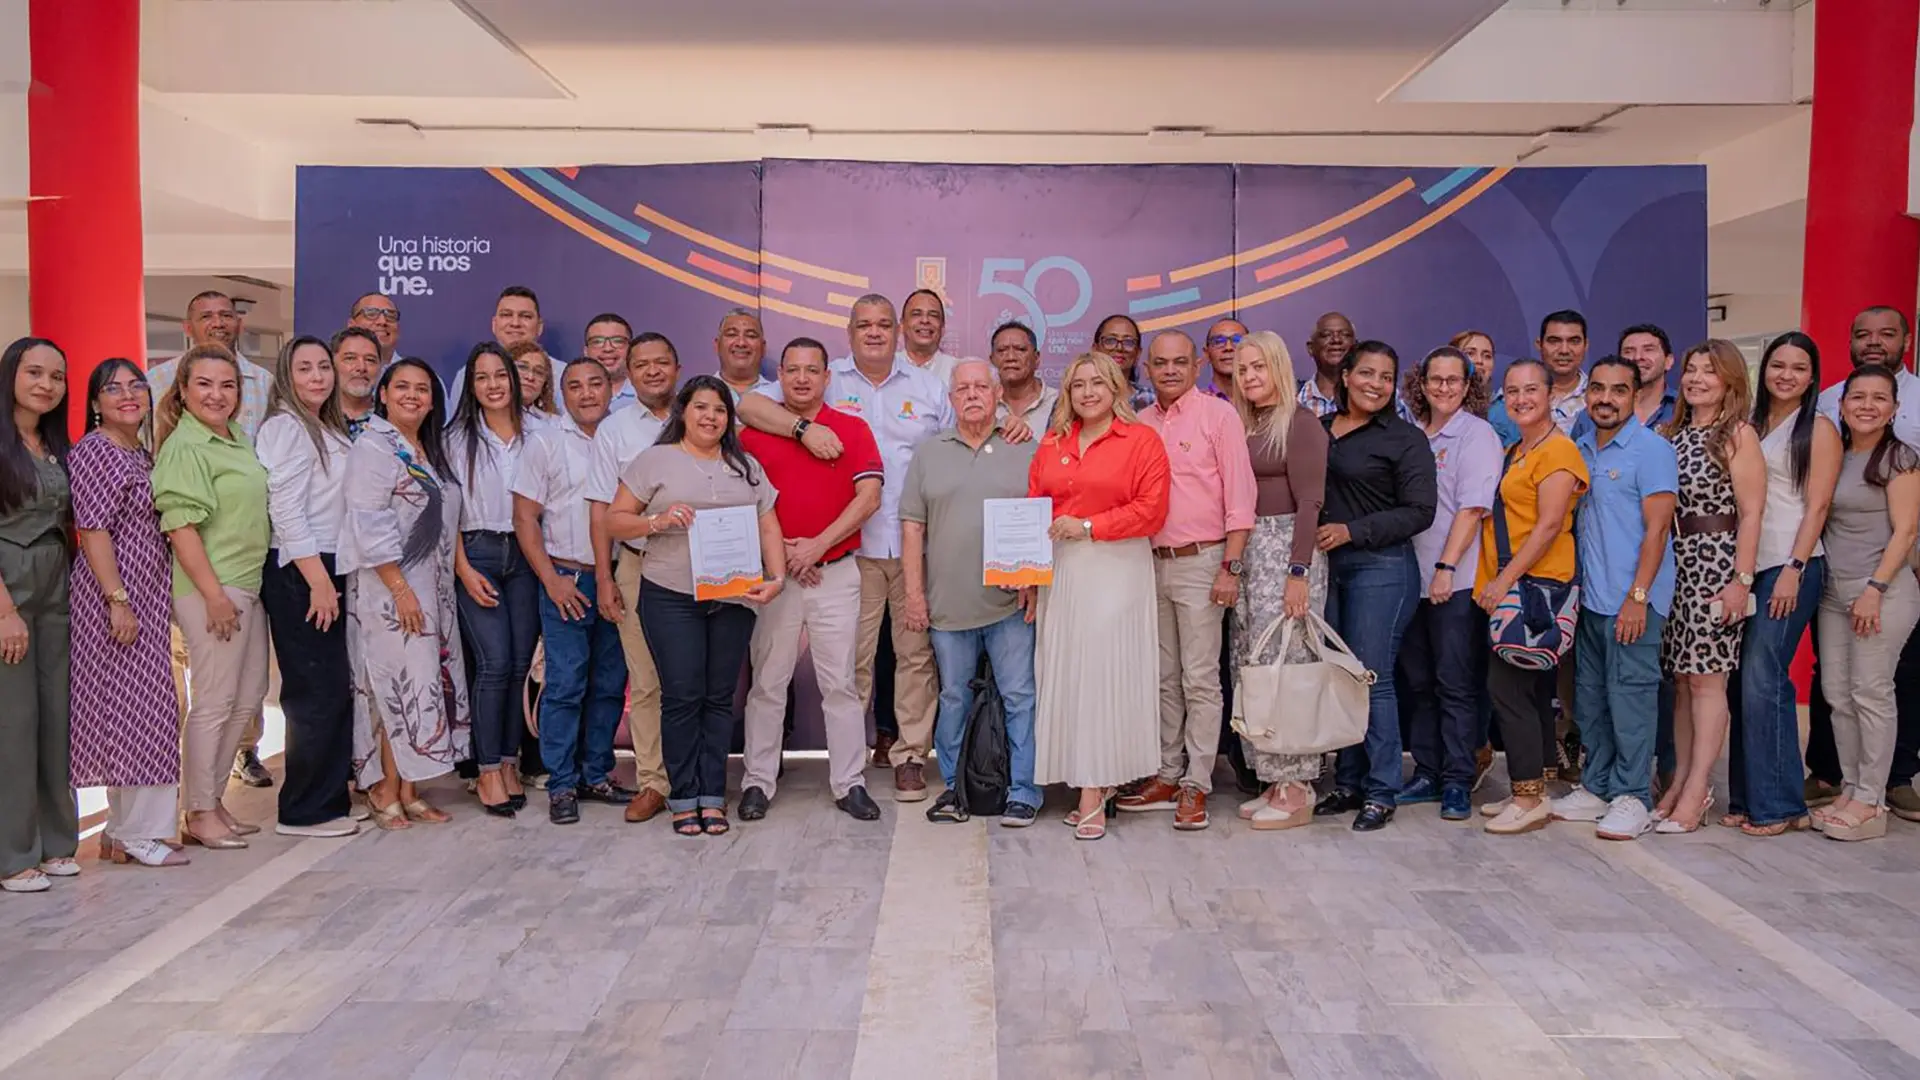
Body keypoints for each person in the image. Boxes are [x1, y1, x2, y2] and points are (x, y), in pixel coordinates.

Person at [738, 294, 953, 801]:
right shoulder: (822, 376)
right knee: (842, 668)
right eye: (864, 325)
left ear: (898, 331)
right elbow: (745, 405)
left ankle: (906, 758)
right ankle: (798, 774)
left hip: (912, 544)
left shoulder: (928, 387)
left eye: (883, 324)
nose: (874, 332)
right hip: (845, 556)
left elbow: (947, 453)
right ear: (849, 331)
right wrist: (803, 429)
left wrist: (815, 547)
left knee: (914, 657)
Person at [608, 376, 786, 837]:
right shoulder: (656, 460)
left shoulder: (745, 466)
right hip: (670, 595)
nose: (711, 417)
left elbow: (768, 524)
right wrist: (658, 521)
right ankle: (684, 795)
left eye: (720, 410)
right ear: (683, 412)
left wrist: (778, 577)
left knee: (718, 697)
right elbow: (615, 520)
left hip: (733, 597)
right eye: (701, 407)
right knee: (682, 695)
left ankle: (712, 795)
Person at [1113, 330, 1255, 830]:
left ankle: (1197, 782)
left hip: (1203, 561)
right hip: (1150, 562)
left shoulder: (1219, 416)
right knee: (1162, 677)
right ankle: (1168, 774)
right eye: (1160, 363)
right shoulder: (1139, 423)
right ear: (1146, 369)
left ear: (1197, 366)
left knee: (1199, 678)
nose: (1170, 370)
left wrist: (1230, 567)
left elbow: (1241, 499)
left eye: (1179, 362)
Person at [739, 339, 884, 821]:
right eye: (793, 370)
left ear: (827, 377)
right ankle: (758, 781)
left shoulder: (852, 428)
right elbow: (741, 504)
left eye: (812, 370)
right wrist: (785, 556)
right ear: (779, 375)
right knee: (768, 682)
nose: (802, 379)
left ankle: (849, 782)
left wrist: (816, 546)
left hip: (834, 572)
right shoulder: (755, 433)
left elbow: (869, 498)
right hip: (775, 577)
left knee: (840, 683)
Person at [1027, 351, 1171, 840]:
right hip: (1063, 571)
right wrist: (1028, 576)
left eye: (1097, 383)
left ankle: (1094, 788)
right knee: (1067, 674)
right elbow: (1034, 508)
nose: (1087, 393)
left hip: (1117, 568)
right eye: (1077, 385)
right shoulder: (1052, 442)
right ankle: (1091, 777)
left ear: (1116, 388)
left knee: (1104, 675)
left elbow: (1152, 510)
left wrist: (1089, 526)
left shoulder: (1141, 440)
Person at [904, 359, 1045, 827]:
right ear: (950, 399)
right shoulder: (929, 453)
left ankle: (1024, 791)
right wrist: (914, 595)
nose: (971, 395)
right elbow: (912, 527)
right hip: (948, 605)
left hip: (1011, 605)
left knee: (1020, 696)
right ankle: (954, 787)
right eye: (962, 388)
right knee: (953, 699)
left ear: (997, 394)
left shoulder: (1026, 448)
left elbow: (1045, 518)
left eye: (981, 387)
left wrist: (1035, 581)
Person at [148, 290, 276, 789]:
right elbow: (181, 526)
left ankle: (214, 802)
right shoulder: (184, 443)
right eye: (203, 385)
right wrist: (214, 596)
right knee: (215, 702)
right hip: (213, 588)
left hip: (248, 583)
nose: (217, 395)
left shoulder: (235, 437)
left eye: (227, 386)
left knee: (244, 701)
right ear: (182, 389)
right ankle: (200, 809)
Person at [1308, 342, 1436, 831]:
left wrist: (1352, 531)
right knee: (1340, 677)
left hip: (1382, 568)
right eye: (1366, 373)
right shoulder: (1319, 429)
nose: (1376, 384)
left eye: (1386, 377)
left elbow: (1420, 511)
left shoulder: (1405, 439)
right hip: (1329, 569)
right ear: (1345, 376)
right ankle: (1349, 781)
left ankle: (1382, 790)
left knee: (1371, 678)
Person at [340, 359, 470, 829]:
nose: (412, 395)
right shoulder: (373, 448)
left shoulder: (427, 451)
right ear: (384, 395)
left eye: (422, 389)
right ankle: (384, 789)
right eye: (402, 387)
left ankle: (410, 788)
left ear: (433, 401)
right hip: (390, 588)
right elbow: (368, 524)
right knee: (391, 687)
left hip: (432, 588)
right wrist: (401, 590)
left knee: (419, 685)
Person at [69, 358, 187, 868]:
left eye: (136, 385)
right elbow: (93, 530)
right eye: (113, 388)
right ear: (95, 402)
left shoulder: (138, 451)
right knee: (146, 713)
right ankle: (142, 833)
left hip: (145, 595)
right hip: (115, 596)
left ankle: (120, 832)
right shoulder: (96, 451)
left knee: (132, 712)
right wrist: (118, 601)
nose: (127, 395)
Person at [1557, 356, 1678, 841]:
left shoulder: (1651, 450)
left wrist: (1638, 596)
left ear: (1635, 395)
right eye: (1599, 389)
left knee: (1631, 700)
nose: (1606, 399)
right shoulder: (1581, 447)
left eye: (1619, 390)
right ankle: (1598, 785)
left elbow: (1658, 530)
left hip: (1634, 600)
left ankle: (1633, 797)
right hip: (1591, 599)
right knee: (1591, 698)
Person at [1725, 331, 1839, 836]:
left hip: (1791, 565)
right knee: (1741, 682)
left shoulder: (1818, 428)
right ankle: (1747, 798)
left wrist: (1794, 567)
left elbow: (1818, 506)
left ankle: (1781, 805)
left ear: (1812, 378)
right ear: (1763, 371)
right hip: (1747, 565)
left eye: (1798, 368)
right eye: (1778, 365)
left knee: (1763, 678)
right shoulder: (1749, 424)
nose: (1786, 375)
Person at [1808, 306, 1920, 813]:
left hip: (1882, 591)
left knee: (1872, 692)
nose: (1867, 406)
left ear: (1894, 408)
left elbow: (1907, 531)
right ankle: (1852, 789)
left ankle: (1872, 799)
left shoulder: (1900, 458)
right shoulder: (1836, 454)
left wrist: (1875, 589)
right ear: (1842, 404)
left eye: (1878, 399)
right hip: (1834, 594)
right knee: (1838, 693)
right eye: (1858, 397)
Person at [513, 358, 633, 825]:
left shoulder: (625, 437)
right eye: (575, 386)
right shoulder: (545, 442)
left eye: (595, 384)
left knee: (609, 683)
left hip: (620, 577)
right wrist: (551, 579)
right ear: (562, 395)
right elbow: (525, 518)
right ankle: (561, 783)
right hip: (567, 579)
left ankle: (596, 773)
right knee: (565, 684)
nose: (587, 394)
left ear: (610, 389)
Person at [1473, 359, 1587, 835]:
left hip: (1535, 585)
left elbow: (1549, 526)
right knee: (1532, 688)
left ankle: (1528, 797)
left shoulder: (1559, 451)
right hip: (1515, 583)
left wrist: (1503, 581)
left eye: (1531, 390)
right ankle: (1535, 781)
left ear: (1550, 395)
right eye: (1513, 391)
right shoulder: (1517, 450)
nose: (1522, 399)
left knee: (1509, 688)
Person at [1656, 339, 1764, 834]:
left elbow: (1752, 514)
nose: (1697, 379)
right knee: (1681, 681)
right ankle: (1679, 780)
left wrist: (1741, 581)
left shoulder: (1738, 435)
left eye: (1709, 371)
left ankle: (1699, 788)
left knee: (1707, 681)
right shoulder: (1672, 434)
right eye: (1692, 369)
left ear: (1730, 381)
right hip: (1673, 563)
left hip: (1715, 563)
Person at [254, 336, 360, 839]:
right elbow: (286, 510)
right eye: (304, 368)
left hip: (330, 564)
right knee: (313, 691)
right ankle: (303, 811)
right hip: (301, 569)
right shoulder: (285, 427)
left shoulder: (324, 425)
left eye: (323, 367)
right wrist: (317, 579)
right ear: (286, 375)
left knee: (333, 688)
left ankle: (330, 799)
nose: (317, 376)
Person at [1225, 332, 1329, 830]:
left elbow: (1310, 502)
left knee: (1288, 668)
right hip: (1250, 550)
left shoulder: (1301, 423)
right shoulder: (1245, 423)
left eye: (1259, 367)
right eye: (1243, 369)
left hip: (1287, 549)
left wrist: (1298, 571)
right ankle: (1272, 777)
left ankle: (1297, 786)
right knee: (1253, 664)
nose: (1250, 377)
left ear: (1280, 368)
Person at [1396, 347, 1500, 822]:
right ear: (1421, 384)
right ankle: (1427, 771)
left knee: (1455, 683)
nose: (1443, 388)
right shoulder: (1413, 433)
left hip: (1453, 580)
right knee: (1419, 683)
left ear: (1467, 385)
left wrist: (1446, 566)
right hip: (1409, 577)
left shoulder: (1476, 435)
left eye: (1453, 380)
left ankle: (1458, 779)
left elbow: (1473, 509)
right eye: (1435, 379)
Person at [587, 332, 679, 823]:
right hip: (638, 563)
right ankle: (653, 782)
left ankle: (697, 779)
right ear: (629, 371)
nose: (652, 371)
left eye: (661, 362)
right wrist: (605, 577)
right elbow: (600, 509)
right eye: (642, 364)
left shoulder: (702, 414)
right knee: (644, 680)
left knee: (694, 678)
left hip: (701, 565)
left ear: (677, 368)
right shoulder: (615, 429)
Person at [447, 342, 541, 818]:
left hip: (526, 555)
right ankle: (485, 770)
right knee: (494, 663)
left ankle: (508, 762)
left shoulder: (540, 432)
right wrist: (463, 569)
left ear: (514, 379)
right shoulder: (453, 438)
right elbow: (446, 514)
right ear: (470, 385)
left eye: (500, 375)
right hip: (478, 552)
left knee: (521, 665)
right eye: (481, 377)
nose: (493, 385)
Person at [0, 337, 76, 892]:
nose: (46, 384)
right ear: (10, 375)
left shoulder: (52, 443)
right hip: (10, 585)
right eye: (34, 372)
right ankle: (13, 854)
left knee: (55, 717)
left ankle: (56, 843)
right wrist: (5, 611)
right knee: (14, 722)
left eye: (57, 376)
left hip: (56, 583)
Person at [1489, 311, 1590, 447]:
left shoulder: (1599, 398)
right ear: (1539, 344)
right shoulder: (1510, 398)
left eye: (1574, 341)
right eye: (1554, 341)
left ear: (1586, 345)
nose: (1564, 350)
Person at [992, 320, 1057, 430]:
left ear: (1036, 358)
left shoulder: (1060, 402)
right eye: (1002, 350)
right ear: (992, 359)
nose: (1011, 357)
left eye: (1020, 350)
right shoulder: (983, 403)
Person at [1298, 312, 1358, 417]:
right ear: (1311, 348)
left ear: (1356, 346)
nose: (1336, 340)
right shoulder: (1290, 399)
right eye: (1326, 335)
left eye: (1345, 335)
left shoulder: (1371, 396)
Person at [1092, 314, 1154, 411]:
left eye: (1128, 342)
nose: (1119, 348)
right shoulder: (1082, 397)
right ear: (1095, 349)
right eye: (1110, 340)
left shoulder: (1150, 400)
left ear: (1138, 353)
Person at [330, 327, 384, 437]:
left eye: (370, 360)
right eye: (350, 358)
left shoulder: (393, 420)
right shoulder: (314, 418)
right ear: (331, 365)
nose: (361, 367)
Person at [900, 288, 960, 386]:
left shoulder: (957, 370)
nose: (925, 320)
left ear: (942, 328)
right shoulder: (886, 368)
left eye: (933, 315)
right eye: (916, 314)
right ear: (902, 325)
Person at [715, 308, 776, 402]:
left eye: (751, 336)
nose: (741, 343)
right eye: (732, 334)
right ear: (717, 345)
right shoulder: (698, 393)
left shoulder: (779, 396)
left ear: (763, 348)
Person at [583, 313, 636, 412]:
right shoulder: (568, 397)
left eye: (618, 341)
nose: (608, 349)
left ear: (631, 349)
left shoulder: (646, 395)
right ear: (586, 351)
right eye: (597, 341)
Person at [509, 340, 558, 421]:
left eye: (539, 372)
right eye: (522, 367)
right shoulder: (487, 417)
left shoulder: (555, 423)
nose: (530, 377)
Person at [347, 291, 401, 365]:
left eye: (390, 315)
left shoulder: (412, 371)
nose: (382, 321)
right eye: (371, 314)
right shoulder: (335, 369)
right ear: (352, 325)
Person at [1203, 319, 1248, 399]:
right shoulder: (1196, 403)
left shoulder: (1263, 400)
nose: (1228, 347)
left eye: (1237, 340)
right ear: (1207, 354)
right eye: (1218, 341)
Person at [1451, 329, 1497, 405]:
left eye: (1487, 356)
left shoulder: (1505, 409)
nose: (1479, 360)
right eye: (1470, 353)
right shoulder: (1436, 405)